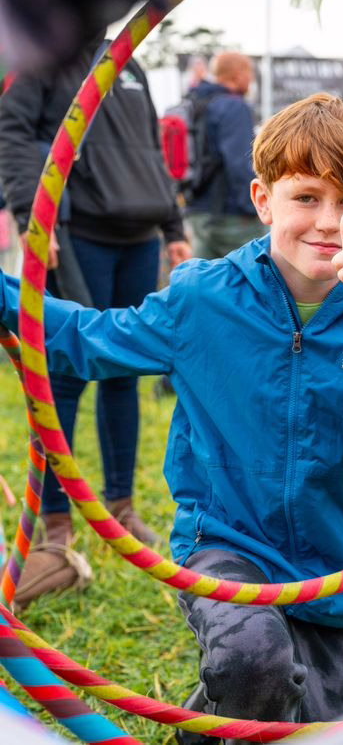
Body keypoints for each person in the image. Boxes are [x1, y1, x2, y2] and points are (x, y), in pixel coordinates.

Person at [0, 93, 343, 736]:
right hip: (224, 545)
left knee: (321, 727)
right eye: (307, 197)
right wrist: (4, 294)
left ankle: (207, 721)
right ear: (264, 199)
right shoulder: (201, 298)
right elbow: (86, 340)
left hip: (332, 567)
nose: (328, 221)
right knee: (253, 663)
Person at [0, 35, 191, 605]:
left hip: (138, 237)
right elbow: (10, 132)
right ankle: (56, 522)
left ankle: (121, 505)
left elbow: (150, 151)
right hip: (76, 236)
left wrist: (175, 229)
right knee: (63, 373)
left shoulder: (127, 57)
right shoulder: (46, 50)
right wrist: (35, 218)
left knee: (123, 372)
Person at [185, 50, 265, 259]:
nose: (251, 80)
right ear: (239, 74)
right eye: (250, 74)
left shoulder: (197, 100)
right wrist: (254, 206)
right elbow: (240, 163)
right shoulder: (234, 106)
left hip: (198, 209)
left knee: (205, 279)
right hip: (229, 214)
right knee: (263, 271)